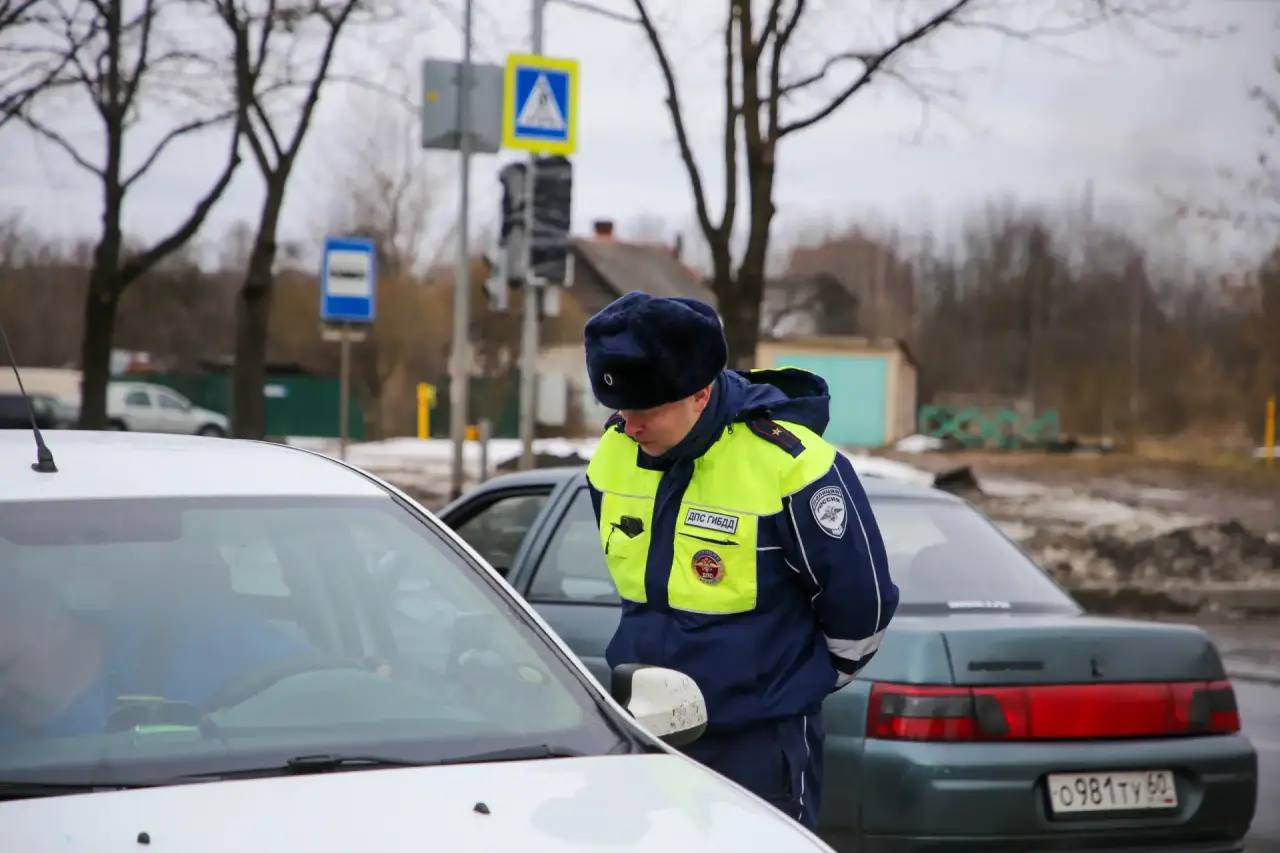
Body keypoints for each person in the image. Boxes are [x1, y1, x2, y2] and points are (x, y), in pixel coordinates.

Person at [583, 291, 899, 829]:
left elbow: (861, 604)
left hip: (757, 744)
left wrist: (792, 685)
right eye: (621, 409)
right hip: (645, 735)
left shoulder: (791, 465)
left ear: (701, 394)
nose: (630, 426)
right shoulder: (616, 450)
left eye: (647, 409)